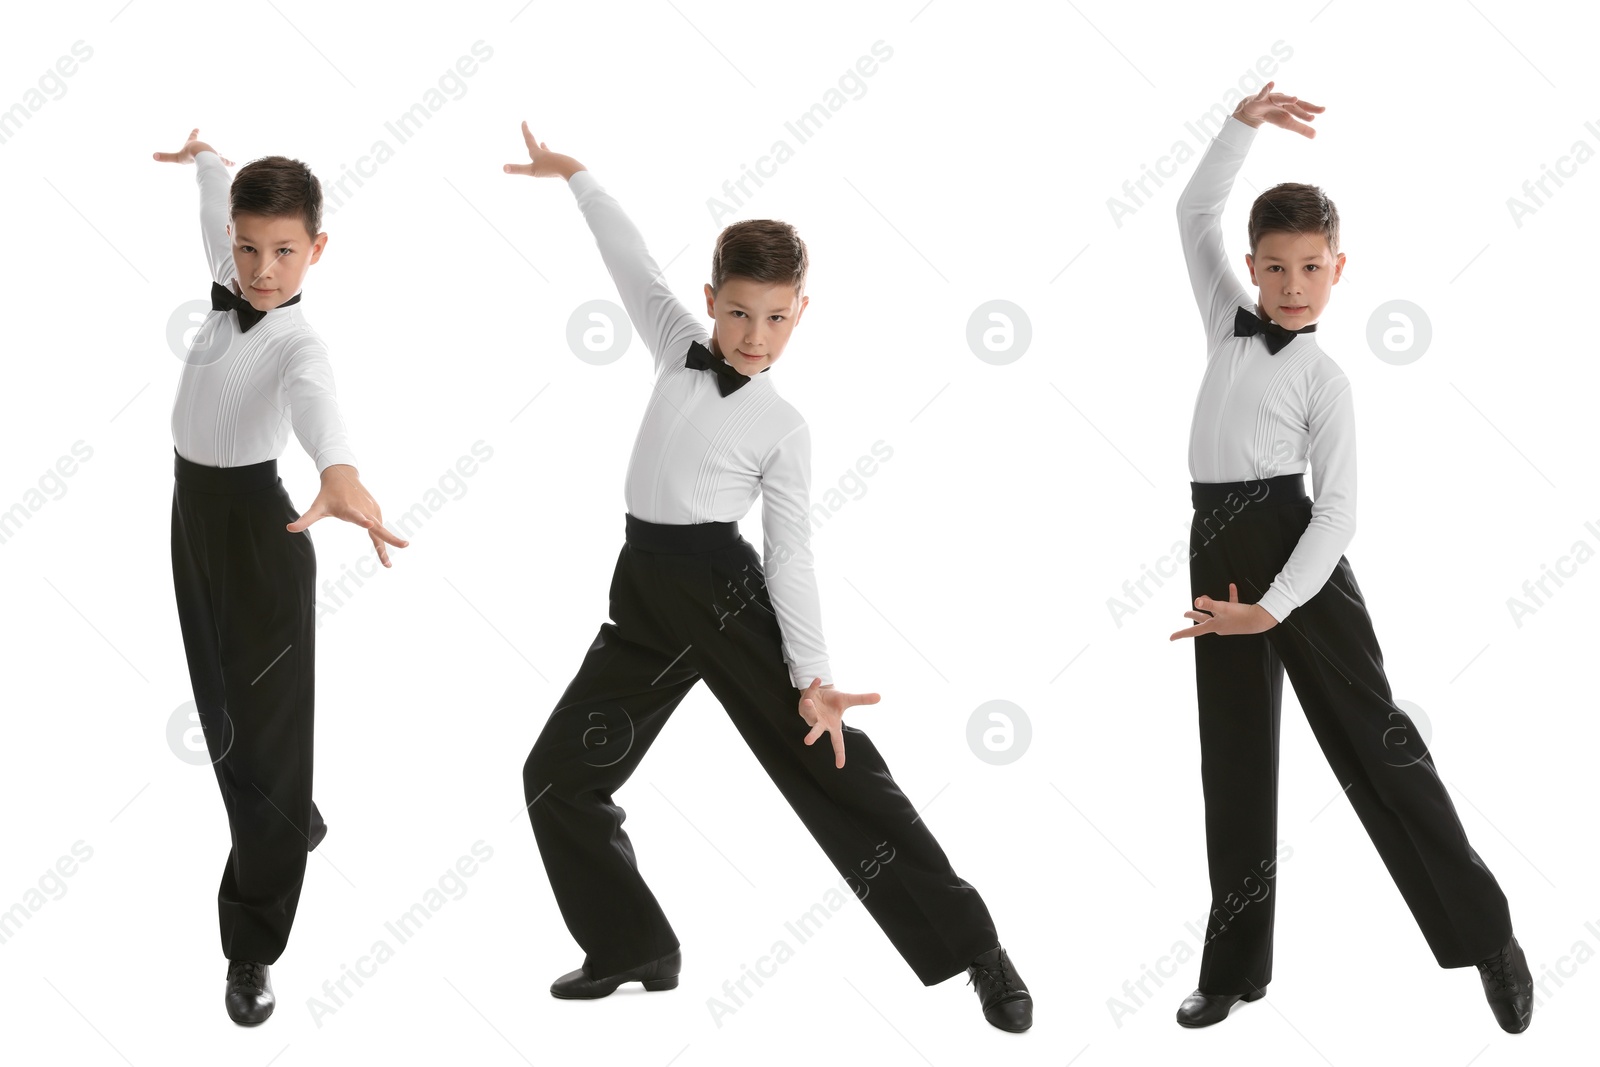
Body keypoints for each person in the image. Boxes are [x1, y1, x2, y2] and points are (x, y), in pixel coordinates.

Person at [504, 121, 1031, 1032]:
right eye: (739, 313)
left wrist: (812, 676)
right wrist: (579, 175)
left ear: (802, 313)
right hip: (644, 595)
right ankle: (633, 942)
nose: (755, 335)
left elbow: (791, 552)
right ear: (710, 301)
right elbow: (628, 259)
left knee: (833, 768)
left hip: (724, 592)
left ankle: (977, 946)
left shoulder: (784, 426)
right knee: (556, 774)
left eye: (776, 317)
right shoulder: (677, 343)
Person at [1168, 84, 1532, 1034]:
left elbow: (1338, 515)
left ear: (1339, 271)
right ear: (1250, 268)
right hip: (1217, 551)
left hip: (1300, 565)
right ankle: (1234, 967)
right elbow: (1192, 208)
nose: (1292, 284)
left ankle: (1487, 932)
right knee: (1234, 763)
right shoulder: (1224, 319)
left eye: (1311, 268)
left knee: (1379, 748)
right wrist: (1240, 125)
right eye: (1276, 267)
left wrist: (1276, 607)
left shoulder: (1325, 380)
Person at [153, 129, 408, 1026]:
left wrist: (341, 473)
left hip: (266, 534)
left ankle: (251, 944)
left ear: (318, 250)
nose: (264, 270)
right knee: (224, 717)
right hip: (193, 524)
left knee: (265, 735)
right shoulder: (225, 276)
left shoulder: (300, 345)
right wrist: (205, 156)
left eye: (285, 252)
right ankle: (290, 821)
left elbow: (320, 410)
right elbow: (210, 201)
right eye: (249, 248)